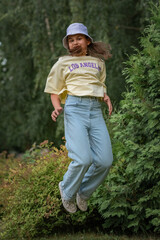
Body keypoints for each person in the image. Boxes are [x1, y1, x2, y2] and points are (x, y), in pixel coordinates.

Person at [44, 23, 113, 213]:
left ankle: (83, 192)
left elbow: (99, 85)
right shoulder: (62, 63)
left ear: (87, 40)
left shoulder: (99, 63)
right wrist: (57, 108)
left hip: (95, 110)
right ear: (67, 44)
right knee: (83, 159)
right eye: (71, 40)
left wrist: (105, 97)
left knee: (105, 160)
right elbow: (54, 91)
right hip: (74, 109)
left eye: (79, 38)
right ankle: (67, 190)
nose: (75, 42)